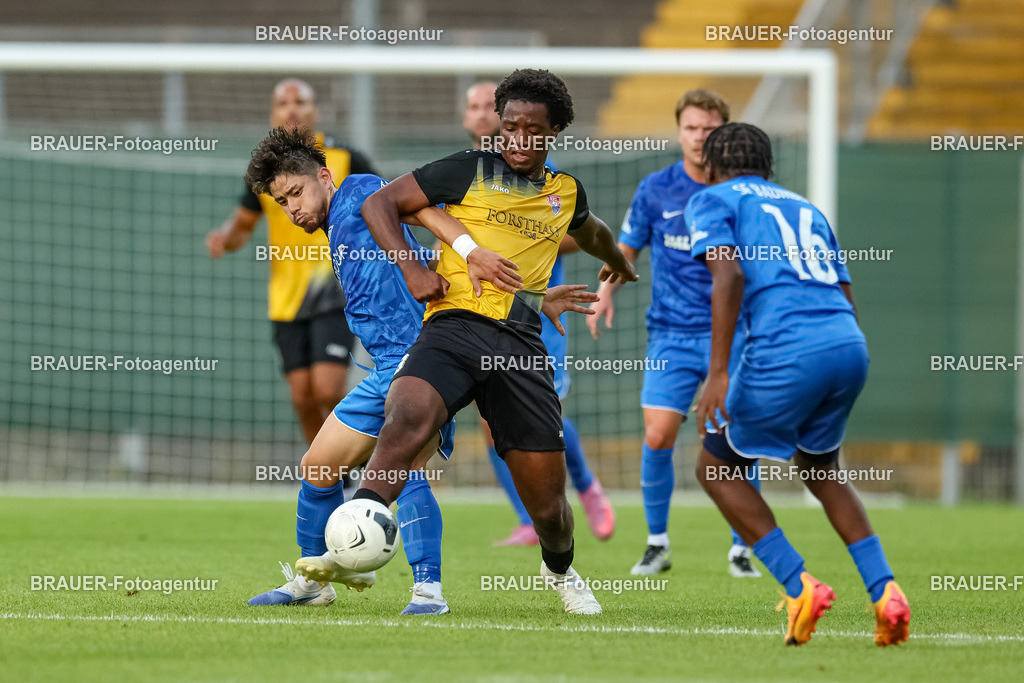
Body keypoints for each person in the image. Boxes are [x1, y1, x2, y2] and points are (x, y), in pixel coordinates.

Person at [243, 127, 597, 614]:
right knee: (317, 469)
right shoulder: (336, 232)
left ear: (324, 176)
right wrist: (529, 298)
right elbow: (431, 262)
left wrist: (472, 251)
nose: (292, 207)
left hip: (424, 359)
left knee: (407, 470)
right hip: (382, 367)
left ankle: (428, 590)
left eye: (297, 192)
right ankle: (314, 581)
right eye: (282, 202)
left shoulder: (361, 191)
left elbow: (429, 214)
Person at [339, 68, 636, 615]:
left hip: (520, 346)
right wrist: (410, 270)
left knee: (548, 507)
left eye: (533, 131)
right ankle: (358, 526)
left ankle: (561, 570)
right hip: (451, 328)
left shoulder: (564, 192)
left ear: (554, 133)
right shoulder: (466, 170)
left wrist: (619, 264)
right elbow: (380, 204)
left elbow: (592, 233)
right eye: (510, 127)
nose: (519, 140)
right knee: (405, 415)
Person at [687, 122, 910, 647]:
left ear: (712, 169)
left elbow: (730, 276)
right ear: (768, 168)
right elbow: (845, 291)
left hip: (789, 348)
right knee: (821, 466)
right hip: (848, 344)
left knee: (715, 467)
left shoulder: (713, 198)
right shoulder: (805, 207)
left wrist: (718, 372)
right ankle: (886, 593)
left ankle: (799, 586)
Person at [587, 89, 760, 577]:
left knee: (735, 437)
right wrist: (606, 293)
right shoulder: (655, 189)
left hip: (733, 335)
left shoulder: (741, 191)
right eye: (691, 128)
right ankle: (657, 543)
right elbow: (625, 252)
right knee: (659, 435)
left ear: (723, 131)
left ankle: (742, 548)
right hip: (670, 335)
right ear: (679, 132)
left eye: (709, 128)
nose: (699, 136)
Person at [463, 81, 615, 547]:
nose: (482, 114)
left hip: (536, 312)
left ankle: (586, 485)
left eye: (490, 106)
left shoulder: (543, 173)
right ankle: (528, 519)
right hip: (481, 311)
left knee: (542, 413)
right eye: (473, 107)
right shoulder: (462, 175)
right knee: (491, 423)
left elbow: (577, 233)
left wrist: (519, 243)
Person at [206, 78, 377, 445]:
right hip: (285, 298)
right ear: (273, 114)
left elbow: (382, 202)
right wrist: (226, 239)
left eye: (300, 101)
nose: (292, 108)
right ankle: (332, 478)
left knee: (328, 388)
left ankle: (363, 457)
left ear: (315, 111)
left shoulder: (345, 157)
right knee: (302, 396)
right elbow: (243, 224)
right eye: (283, 103)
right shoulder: (265, 171)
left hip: (335, 290)